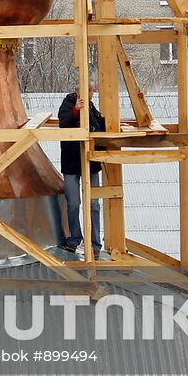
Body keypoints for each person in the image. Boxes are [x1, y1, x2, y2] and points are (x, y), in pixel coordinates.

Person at [57, 91, 105, 254]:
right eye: (91, 91)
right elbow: (64, 123)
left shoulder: (91, 106)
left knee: (93, 204)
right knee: (73, 203)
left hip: (90, 160)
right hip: (71, 160)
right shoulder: (68, 103)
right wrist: (75, 111)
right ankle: (74, 239)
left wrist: (114, 124)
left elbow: (98, 125)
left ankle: (95, 244)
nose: (92, 94)